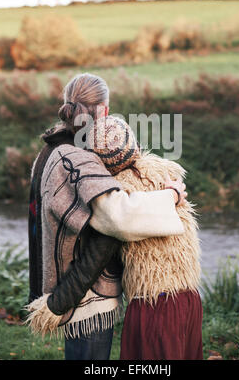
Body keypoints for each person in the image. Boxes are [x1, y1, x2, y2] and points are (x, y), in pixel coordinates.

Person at [26, 73, 187, 360]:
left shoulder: (51, 148)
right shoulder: (75, 158)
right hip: (86, 298)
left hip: (69, 289)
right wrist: (171, 196)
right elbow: (118, 218)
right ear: (104, 111)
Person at [86, 116, 202, 360]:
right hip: (189, 297)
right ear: (134, 145)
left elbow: (115, 223)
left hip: (153, 303)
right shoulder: (164, 174)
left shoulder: (113, 195)